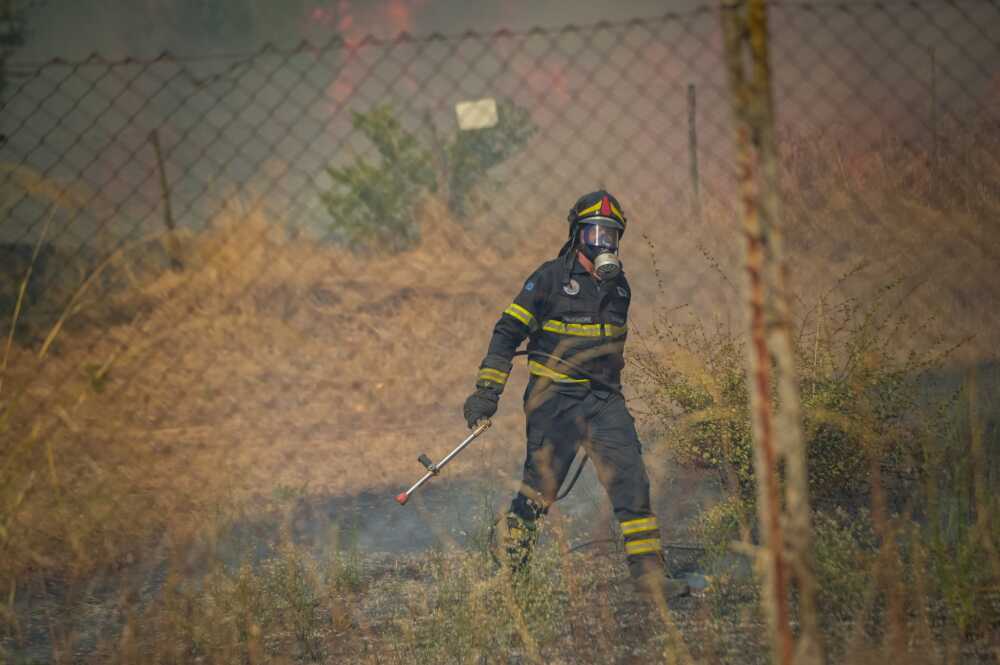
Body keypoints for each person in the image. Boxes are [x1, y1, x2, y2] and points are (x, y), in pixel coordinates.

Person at [462, 190, 689, 601]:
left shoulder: (620, 289)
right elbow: (507, 333)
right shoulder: (548, 279)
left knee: (632, 482)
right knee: (538, 490)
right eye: (595, 232)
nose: (604, 243)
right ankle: (511, 580)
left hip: (604, 401)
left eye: (612, 235)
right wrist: (486, 392)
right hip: (554, 402)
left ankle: (649, 578)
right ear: (577, 235)